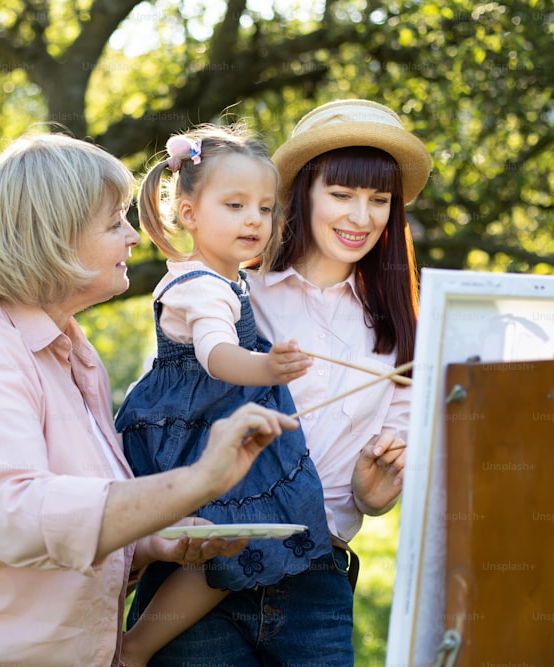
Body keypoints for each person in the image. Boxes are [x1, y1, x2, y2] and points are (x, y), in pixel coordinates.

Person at [0, 133, 300, 667]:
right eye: (113, 222)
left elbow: (74, 520)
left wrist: (151, 543)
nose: (133, 237)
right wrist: (197, 481)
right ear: (51, 236)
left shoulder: (72, 355)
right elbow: (19, 519)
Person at [128, 100, 430, 664]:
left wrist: (374, 491)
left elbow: (372, 488)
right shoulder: (232, 290)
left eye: (379, 200)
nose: (361, 217)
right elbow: (174, 417)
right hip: (198, 564)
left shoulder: (403, 330)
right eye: (342, 195)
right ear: (305, 193)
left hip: (315, 577)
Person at [115, 125, 332, 666]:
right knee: (221, 541)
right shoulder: (205, 287)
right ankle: (136, 647)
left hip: (205, 421)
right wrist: (265, 366)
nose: (254, 220)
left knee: (217, 544)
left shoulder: (219, 278)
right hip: (201, 432)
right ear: (188, 213)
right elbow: (214, 353)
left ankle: (128, 640)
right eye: (234, 205)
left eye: (265, 207)